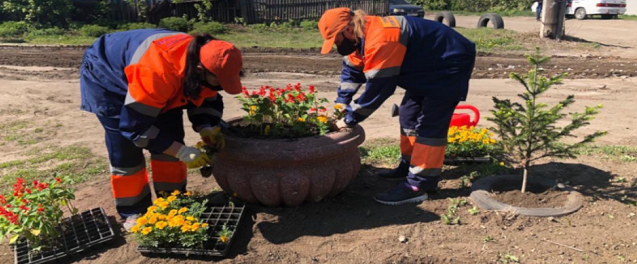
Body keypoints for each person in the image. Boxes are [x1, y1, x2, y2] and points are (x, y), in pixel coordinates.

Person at [80, 29, 243, 230]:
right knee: (126, 149)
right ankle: (134, 211)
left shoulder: (204, 57)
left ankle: (172, 202)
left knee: (170, 135)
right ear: (200, 69)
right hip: (108, 76)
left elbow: (205, 93)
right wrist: (180, 151)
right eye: (218, 81)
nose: (220, 86)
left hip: (157, 77)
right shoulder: (157, 73)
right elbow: (134, 128)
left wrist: (206, 126)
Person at [318, 8, 476, 205]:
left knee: (430, 125)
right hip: (424, 65)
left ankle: (419, 185)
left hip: (449, 63)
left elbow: (379, 88)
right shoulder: (360, 38)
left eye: (337, 40)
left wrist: (350, 119)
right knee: (408, 114)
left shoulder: (382, 38)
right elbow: (352, 70)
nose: (337, 46)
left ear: (347, 29)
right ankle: (409, 165)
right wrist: (342, 101)